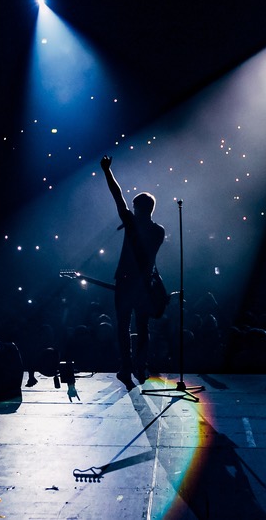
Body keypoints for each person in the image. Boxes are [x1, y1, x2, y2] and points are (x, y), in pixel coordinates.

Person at [100, 155, 165, 389]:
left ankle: (126, 367)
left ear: (138, 208)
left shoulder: (131, 222)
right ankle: (140, 365)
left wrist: (107, 171)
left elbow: (117, 196)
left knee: (123, 326)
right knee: (143, 327)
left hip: (127, 282)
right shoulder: (159, 231)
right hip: (145, 284)